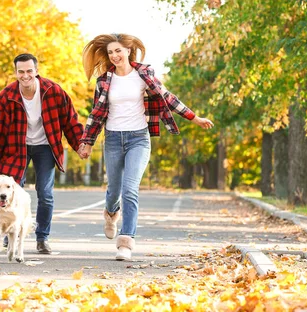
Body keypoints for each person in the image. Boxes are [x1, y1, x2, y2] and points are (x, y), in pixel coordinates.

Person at [78, 33, 214, 261]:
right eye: (111, 52)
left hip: (138, 138)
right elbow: (97, 113)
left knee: (130, 189)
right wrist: (87, 142)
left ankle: (125, 242)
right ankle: (111, 213)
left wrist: (194, 117)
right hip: (112, 139)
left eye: (118, 51)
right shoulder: (104, 81)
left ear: (129, 51)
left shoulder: (144, 74)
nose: (114, 56)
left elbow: (168, 97)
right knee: (113, 190)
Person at [0, 53, 85, 254]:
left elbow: (70, 121)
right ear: (15, 73)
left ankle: (42, 238)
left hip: (46, 146)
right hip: (16, 147)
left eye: (29, 71)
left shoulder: (53, 92)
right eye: (21, 72)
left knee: (45, 193)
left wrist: (81, 145)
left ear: (36, 71)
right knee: (12, 191)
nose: (25, 75)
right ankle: (10, 235)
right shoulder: (6, 96)